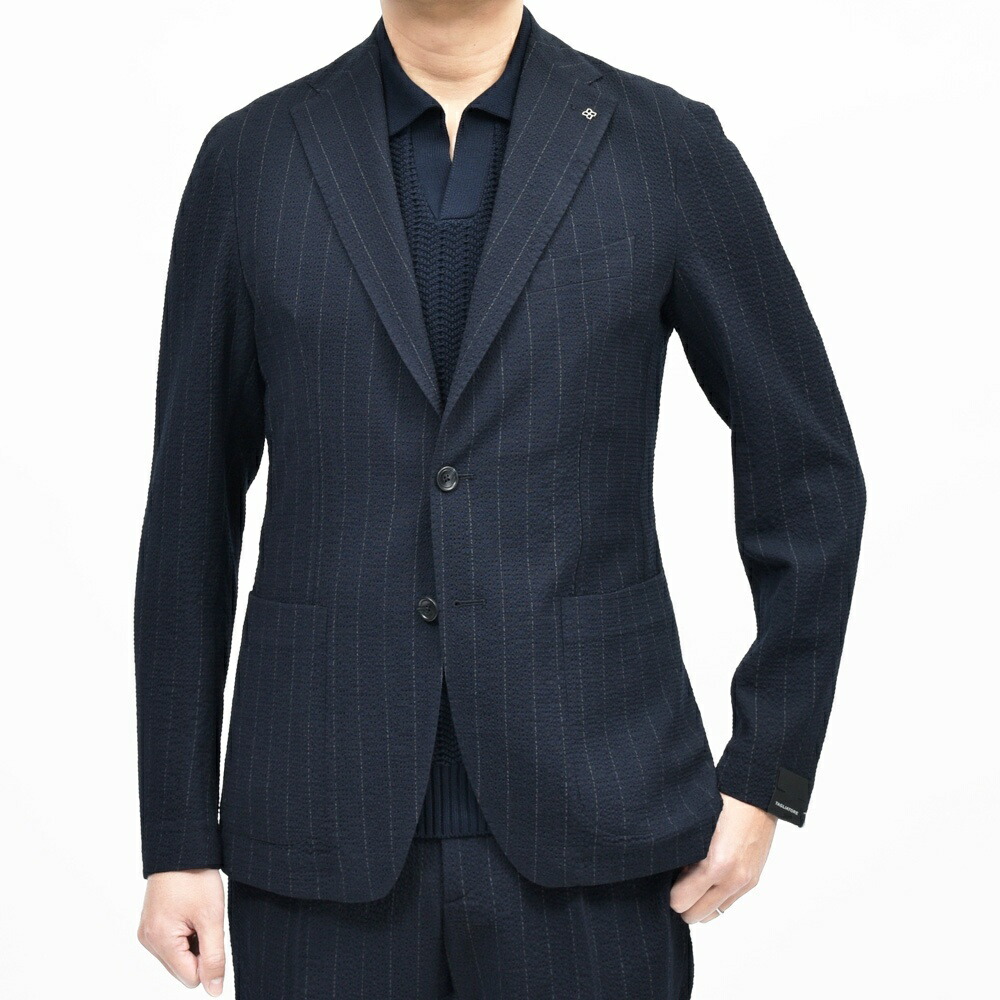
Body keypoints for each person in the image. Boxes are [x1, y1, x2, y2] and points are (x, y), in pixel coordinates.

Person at [134, 2, 866, 997]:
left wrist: (767, 769)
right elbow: (188, 513)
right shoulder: (252, 159)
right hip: (318, 836)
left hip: (597, 829)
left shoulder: (662, 146)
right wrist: (176, 836)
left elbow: (809, 469)